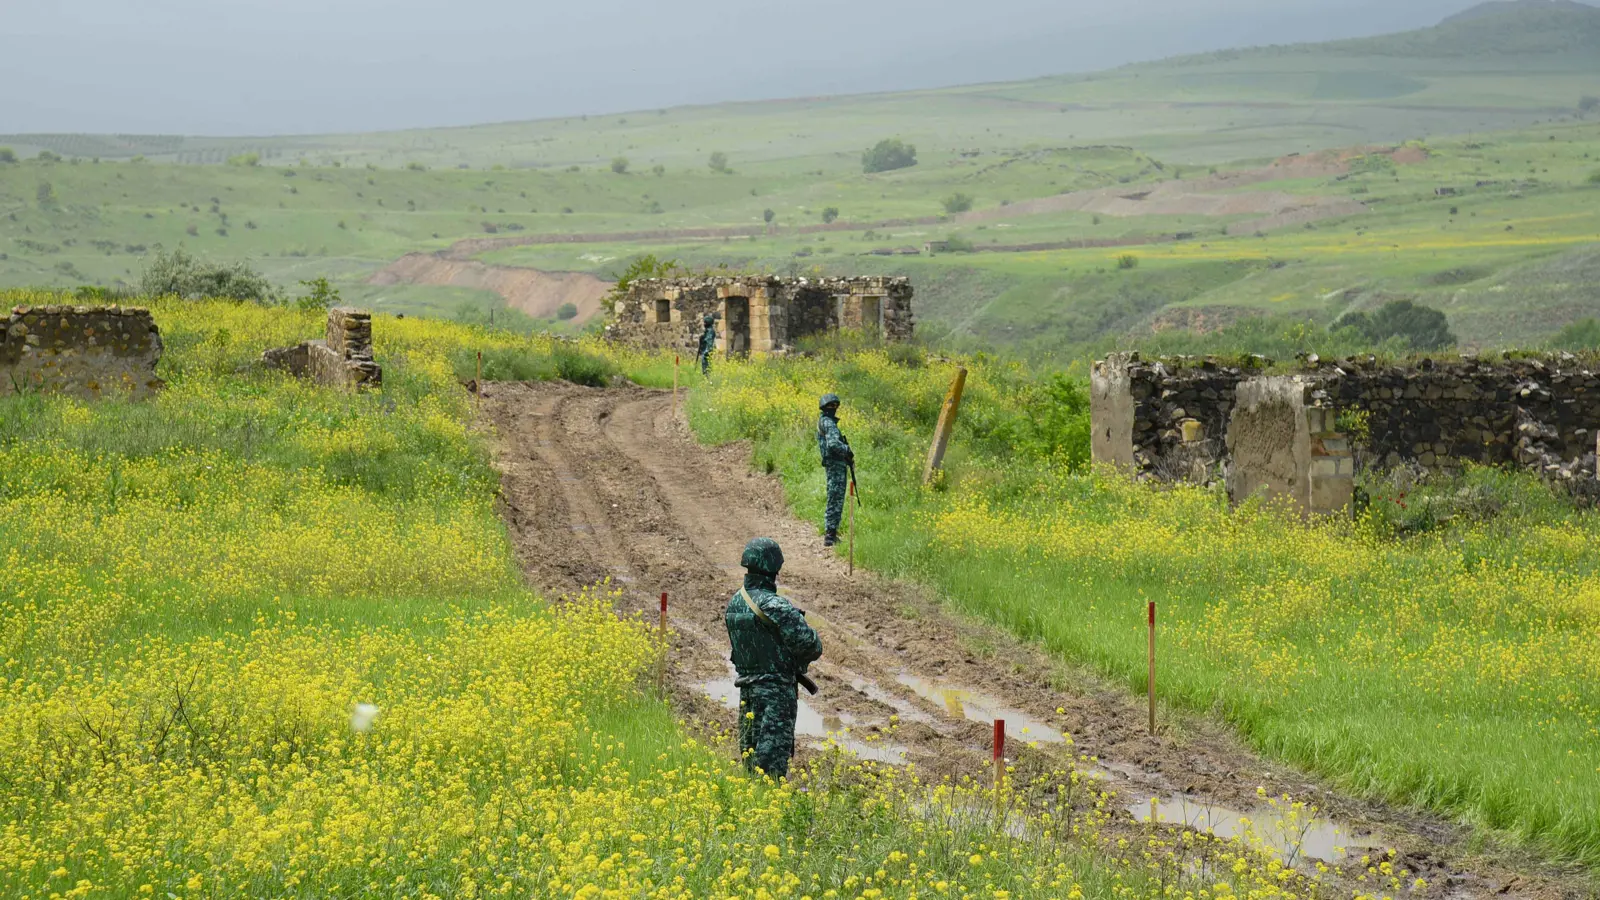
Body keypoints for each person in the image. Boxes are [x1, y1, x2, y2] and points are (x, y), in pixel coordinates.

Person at [724, 537, 822, 780]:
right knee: (771, 768)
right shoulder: (775, 605)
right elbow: (812, 646)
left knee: (750, 763)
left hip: (747, 691)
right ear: (774, 567)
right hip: (776, 696)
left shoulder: (735, 602)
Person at [815, 394, 853, 548]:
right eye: (831, 406)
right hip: (835, 466)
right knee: (835, 498)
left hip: (834, 465)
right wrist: (847, 450)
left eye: (835, 406)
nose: (834, 409)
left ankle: (831, 533)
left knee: (834, 497)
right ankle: (830, 535)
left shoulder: (824, 421)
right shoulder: (829, 423)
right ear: (824, 407)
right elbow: (833, 445)